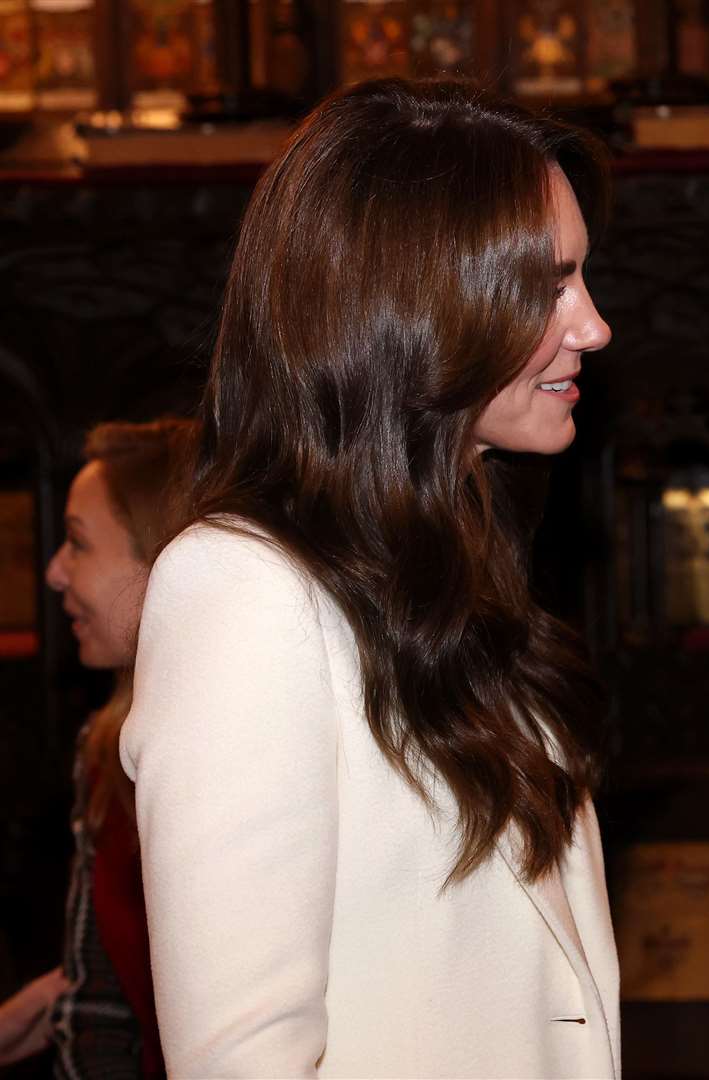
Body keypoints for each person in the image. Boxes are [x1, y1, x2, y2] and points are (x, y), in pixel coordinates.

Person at [119, 78, 618, 1078]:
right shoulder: (242, 594)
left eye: (584, 279)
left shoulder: (452, 576)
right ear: (417, 304)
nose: (595, 327)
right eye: (548, 285)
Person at [0, 418, 195, 1079]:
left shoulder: (251, 748)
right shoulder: (102, 748)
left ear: (163, 564)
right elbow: (98, 1009)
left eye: (78, 544)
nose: (53, 572)